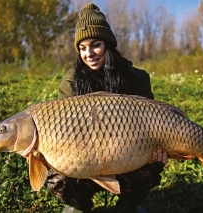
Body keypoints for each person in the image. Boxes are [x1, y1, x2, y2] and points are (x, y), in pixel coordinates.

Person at [46, 3, 168, 213]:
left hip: (128, 155)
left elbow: (152, 123)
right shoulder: (70, 82)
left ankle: (128, 206)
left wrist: (157, 149)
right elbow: (60, 130)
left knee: (153, 161)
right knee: (56, 175)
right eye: (82, 48)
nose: (89, 53)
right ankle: (78, 207)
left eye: (95, 45)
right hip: (83, 159)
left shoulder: (135, 77)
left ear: (108, 45)